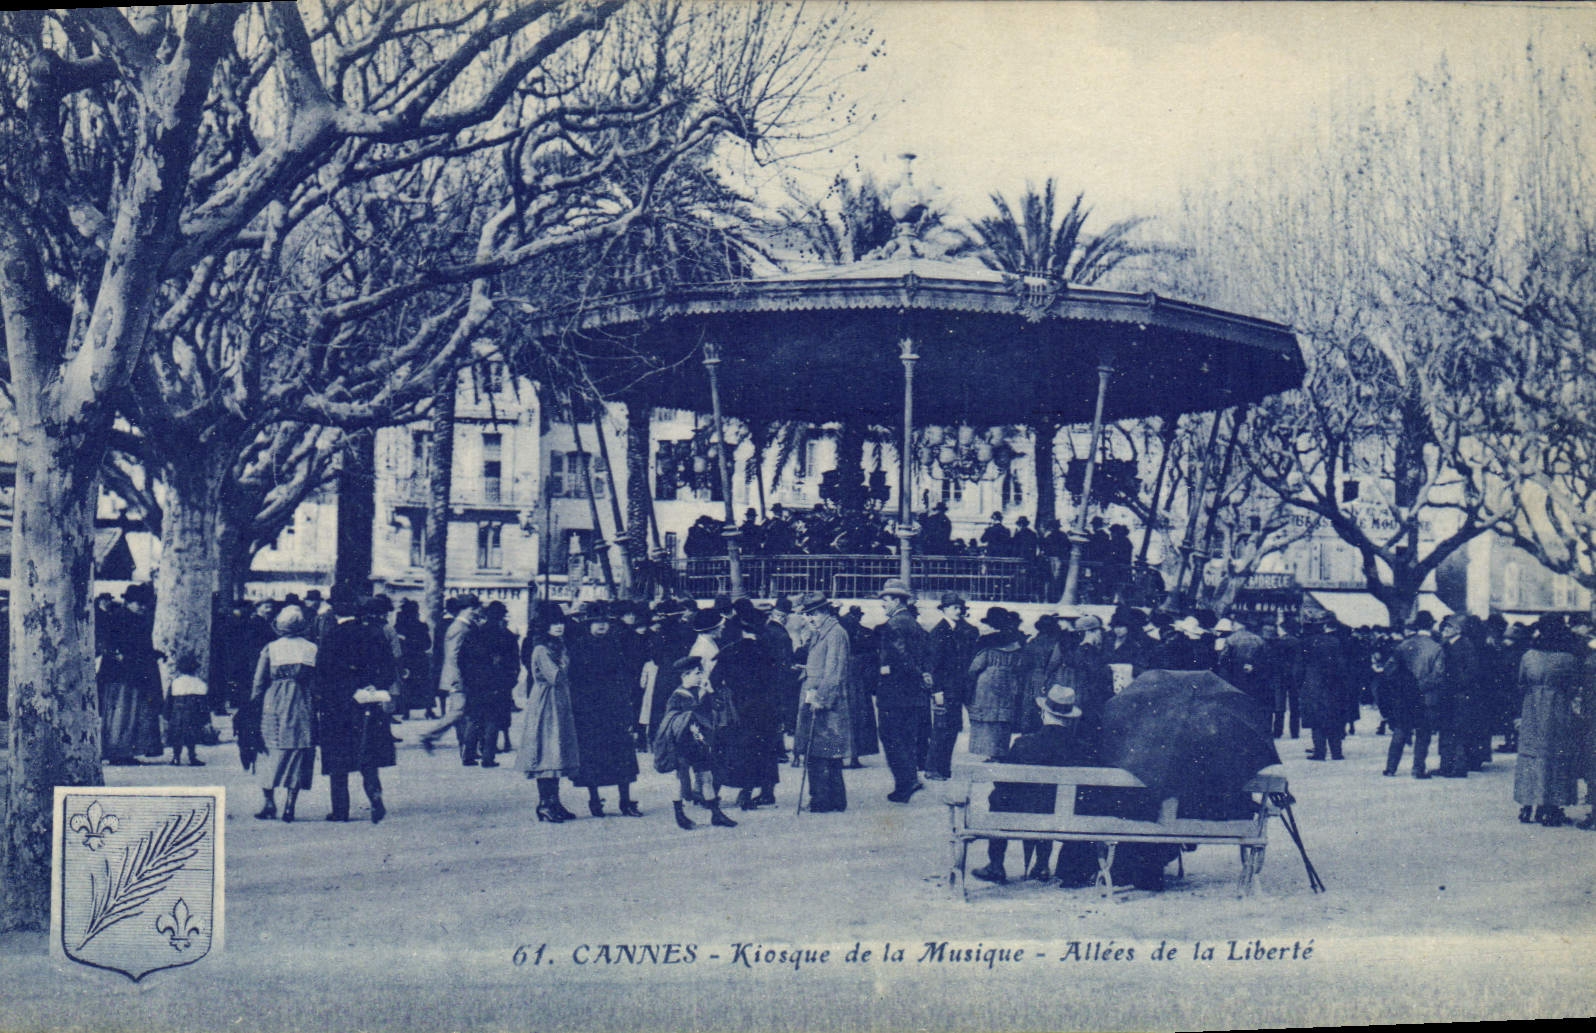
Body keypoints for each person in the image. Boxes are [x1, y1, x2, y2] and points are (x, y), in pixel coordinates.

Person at [969, 685, 1097, 886]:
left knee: (1000, 797)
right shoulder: (1081, 748)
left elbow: (1003, 781)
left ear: (1044, 713)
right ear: (1070, 718)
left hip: (1022, 815)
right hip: (1064, 818)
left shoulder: (1024, 743)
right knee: (1050, 800)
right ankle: (1042, 865)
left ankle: (996, 865)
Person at [315, 589, 398, 823]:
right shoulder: (374, 633)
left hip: (339, 705)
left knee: (338, 759)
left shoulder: (332, 635)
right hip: (369, 702)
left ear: (335, 610)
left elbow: (324, 672)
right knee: (367, 754)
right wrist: (374, 686)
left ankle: (340, 810)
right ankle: (374, 796)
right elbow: (389, 667)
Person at [567, 605, 642, 817]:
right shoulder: (579, 647)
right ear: (588, 624)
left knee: (622, 755)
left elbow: (624, 677)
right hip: (590, 710)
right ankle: (594, 800)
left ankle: (625, 801)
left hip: (615, 707)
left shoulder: (615, 645)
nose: (601, 626)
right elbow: (574, 681)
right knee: (592, 756)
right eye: (597, 622)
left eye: (605, 622)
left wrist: (627, 707)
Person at [713, 599, 783, 812]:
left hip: (740, 707)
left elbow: (715, 680)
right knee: (766, 749)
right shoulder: (769, 650)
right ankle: (766, 791)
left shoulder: (730, 651)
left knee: (741, 750)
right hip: (766, 707)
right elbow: (778, 679)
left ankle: (742, 791)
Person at [249, 605, 318, 823]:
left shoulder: (271, 648)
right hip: (301, 701)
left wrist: (254, 703)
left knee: (269, 749)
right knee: (298, 749)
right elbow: (316, 681)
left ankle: (269, 802)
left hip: (274, 700)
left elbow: (259, 681)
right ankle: (290, 806)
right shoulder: (311, 649)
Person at [1514, 617, 1583, 827]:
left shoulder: (1529, 657)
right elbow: (1573, 687)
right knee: (1556, 755)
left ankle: (1527, 805)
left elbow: (1521, 683)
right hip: (1557, 709)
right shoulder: (1568, 659)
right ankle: (1551, 808)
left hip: (1532, 708)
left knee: (1530, 754)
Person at [652, 657, 733, 830]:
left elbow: (719, 707)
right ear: (685, 675)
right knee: (680, 780)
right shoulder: (677, 696)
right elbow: (670, 720)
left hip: (699, 744)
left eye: (701, 672)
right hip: (682, 744)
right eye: (697, 673)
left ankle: (716, 814)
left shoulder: (700, 691)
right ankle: (679, 815)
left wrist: (710, 691)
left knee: (706, 777)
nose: (700, 676)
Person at [516, 605, 580, 823]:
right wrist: (565, 658)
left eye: (561, 622)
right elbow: (556, 676)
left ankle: (554, 801)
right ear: (545, 626)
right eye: (554, 623)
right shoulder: (542, 649)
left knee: (557, 752)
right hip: (546, 703)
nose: (559, 627)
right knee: (547, 753)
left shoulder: (558, 645)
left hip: (559, 701)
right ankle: (544, 803)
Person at [794, 591, 852, 813]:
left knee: (823, 753)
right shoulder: (821, 633)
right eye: (808, 615)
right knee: (821, 753)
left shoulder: (835, 633)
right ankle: (831, 800)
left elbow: (835, 672)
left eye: (813, 614)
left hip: (826, 704)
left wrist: (821, 699)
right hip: (814, 699)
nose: (809, 619)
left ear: (824, 613)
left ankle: (823, 801)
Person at [875, 578, 931, 803]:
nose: (883, 605)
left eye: (886, 601)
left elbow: (901, 657)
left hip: (895, 694)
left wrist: (884, 672)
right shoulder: (914, 623)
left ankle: (904, 784)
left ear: (897, 600)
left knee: (892, 738)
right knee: (907, 738)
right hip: (912, 694)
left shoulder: (894, 625)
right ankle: (910, 779)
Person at [459, 601, 520, 768]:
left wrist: (468, 679)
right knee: (493, 719)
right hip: (498, 684)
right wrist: (510, 682)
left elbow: (462, 659)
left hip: (476, 683)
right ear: (502, 616)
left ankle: (468, 755)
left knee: (474, 717)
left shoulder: (475, 633)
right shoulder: (507, 636)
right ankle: (488, 757)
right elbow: (514, 663)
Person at [925, 592, 979, 781]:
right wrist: (936, 690)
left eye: (960, 608)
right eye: (954, 607)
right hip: (945, 689)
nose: (958, 611)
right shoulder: (938, 632)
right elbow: (933, 665)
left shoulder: (967, 630)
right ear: (944, 609)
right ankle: (933, 768)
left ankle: (943, 767)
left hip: (960, 688)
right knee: (941, 728)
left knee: (953, 727)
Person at [1384, 612, 1445, 776]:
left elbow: (1389, 670)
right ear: (1431, 625)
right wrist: (1420, 686)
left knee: (1401, 730)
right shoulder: (1436, 648)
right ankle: (1418, 768)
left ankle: (1391, 767)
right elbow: (1438, 675)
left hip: (1404, 697)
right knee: (1423, 733)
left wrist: (1403, 686)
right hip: (1426, 697)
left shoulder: (1404, 645)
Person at [418, 594, 480, 754]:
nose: (476, 612)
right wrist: (457, 679)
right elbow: (453, 655)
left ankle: (467, 748)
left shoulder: (462, 626)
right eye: (474, 608)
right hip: (457, 677)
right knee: (458, 711)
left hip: (459, 676)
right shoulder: (459, 628)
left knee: (463, 711)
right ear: (467, 609)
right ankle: (429, 735)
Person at [966, 608, 1030, 761]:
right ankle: (999, 751)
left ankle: (989, 752)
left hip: (986, 685)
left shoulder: (986, 643)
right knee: (1002, 718)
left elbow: (974, 667)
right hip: (1008, 683)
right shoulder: (1016, 642)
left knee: (987, 719)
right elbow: (1021, 666)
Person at [1301, 612, 1354, 763]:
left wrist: (1301, 684)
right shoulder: (1334, 642)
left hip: (1313, 685)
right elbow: (1342, 665)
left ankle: (1320, 752)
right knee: (1334, 717)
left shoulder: (1306, 642)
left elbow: (1299, 667)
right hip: (1333, 685)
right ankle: (1336, 752)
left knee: (1316, 720)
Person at [164, 652, 210, 767]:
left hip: (177, 714)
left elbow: (169, 701)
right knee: (191, 737)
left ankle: (176, 757)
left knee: (176, 737)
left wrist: (166, 715)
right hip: (193, 714)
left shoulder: (175, 683)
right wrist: (206, 719)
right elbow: (203, 704)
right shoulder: (199, 683)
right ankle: (192, 757)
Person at [394, 599, 433, 718]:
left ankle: (406, 711)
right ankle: (428, 710)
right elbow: (428, 644)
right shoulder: (421, 625)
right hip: (420, 658)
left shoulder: (399, 626)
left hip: (406, 658)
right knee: (425, 684)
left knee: (407, 684)